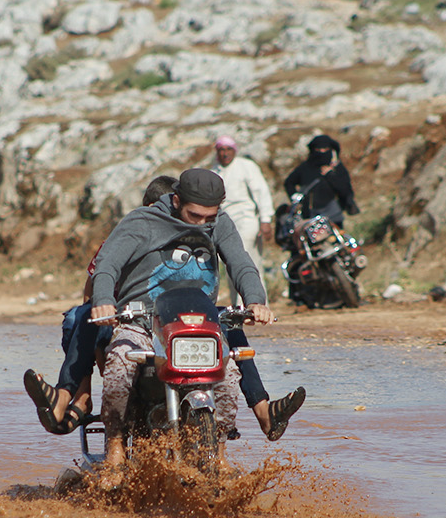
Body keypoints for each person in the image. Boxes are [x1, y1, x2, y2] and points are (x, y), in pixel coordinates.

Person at [24, 176, 304, 443]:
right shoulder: (141, 221)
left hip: (194, 322)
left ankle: (223, 447)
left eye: (210, 217)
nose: (203, 224)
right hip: (142, 322)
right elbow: (106, 265)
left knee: (228, 370)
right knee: (118, 364)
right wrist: (103, 301)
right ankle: (114, 444)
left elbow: (241, 263)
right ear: (177, 200)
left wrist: (256, 301)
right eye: (195, 216)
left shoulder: (219, 223)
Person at [211, 135, 273, 304]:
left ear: (234, 151)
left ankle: (253, 304)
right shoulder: (214, 170)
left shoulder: (246, 166)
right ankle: (238, 306)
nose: (225, 154)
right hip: (224, 222)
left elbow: (261, 191)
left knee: (245, 261)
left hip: (246, 219)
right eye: (221, 150)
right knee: (229, 263)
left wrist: (265, 219)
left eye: (228, 149)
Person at [283, 133, 359, 228]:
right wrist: (295, 197)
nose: (322, 153)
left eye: (325, 150)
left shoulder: (337, 168)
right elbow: (289, 182)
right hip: (309, 216)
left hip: (333, 215)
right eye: (318, 150)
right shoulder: (305, 168)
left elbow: (345, 190)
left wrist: (330, 175)